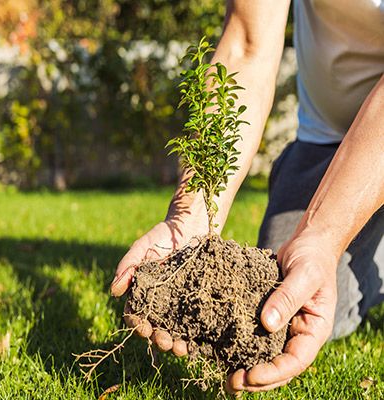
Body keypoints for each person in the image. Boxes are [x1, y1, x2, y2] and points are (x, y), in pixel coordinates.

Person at [110, 0, 384, 394]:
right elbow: (244, 46)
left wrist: (324, 234)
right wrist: (189, 216)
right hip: (326, 144)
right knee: (282, 308)